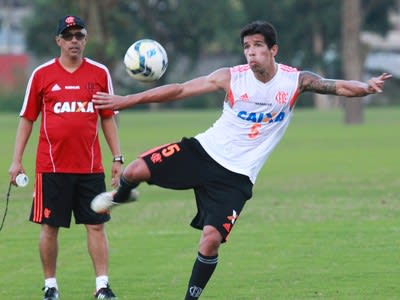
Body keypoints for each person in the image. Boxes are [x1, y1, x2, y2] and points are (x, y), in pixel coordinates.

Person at [90, 20, 392, 299]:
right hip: (203, 151)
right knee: (135, 170)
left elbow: (335, 85)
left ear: (273, 50)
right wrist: (124, 101)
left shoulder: (294, 81)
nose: (251, 53)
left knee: (210, 240)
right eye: (247, 47)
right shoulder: (231, 77)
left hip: (237, 176)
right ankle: (120, 195)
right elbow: (179, 90)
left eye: (258, 46)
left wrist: (366, 87)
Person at [8, 15, 123, 300]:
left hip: (90, 167)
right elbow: (27, 119)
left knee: (96, 225)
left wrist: (117, 158)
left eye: (79, 35)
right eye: (68, 35)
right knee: (50, 227)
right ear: (58, 40)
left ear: (85, 39)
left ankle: (102, 286)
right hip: (51, 168)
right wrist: (16, 160)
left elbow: (108, 119)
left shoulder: (99, 74)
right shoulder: (42, 75)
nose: (74, 41)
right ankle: (50, 286)